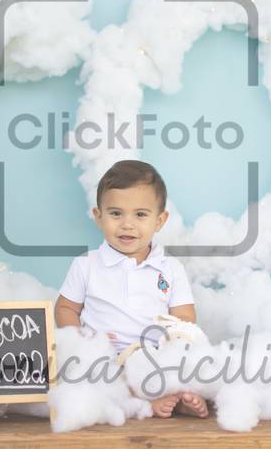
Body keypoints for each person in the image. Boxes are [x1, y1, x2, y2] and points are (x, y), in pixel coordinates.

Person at [54, 160, 208, 418]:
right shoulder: (86, 265)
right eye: (116, 213)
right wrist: (81, 342)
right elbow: (66, 308)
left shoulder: (170, 268)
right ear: (98, 216)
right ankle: (146, 403)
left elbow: (185, 317)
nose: (127, 224)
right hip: (105, 356)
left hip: (154, 354)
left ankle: (177, 396)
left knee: (191, 360)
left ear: (160, 220)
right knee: (90, 377)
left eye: (140, 215)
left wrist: (172, 344)